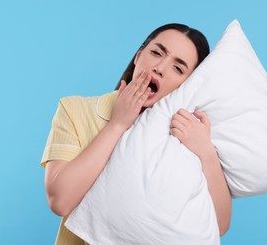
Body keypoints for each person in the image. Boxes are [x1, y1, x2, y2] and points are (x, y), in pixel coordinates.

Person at [41, 23, 232, 244]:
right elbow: (60, 201)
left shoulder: (187, 134)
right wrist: (117, 124)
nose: (159, 67)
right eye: (156, 53)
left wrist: (206, 152)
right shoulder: (75, 109)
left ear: (188, 85)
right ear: (138, 56)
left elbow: (219, 226)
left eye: (178, 68)